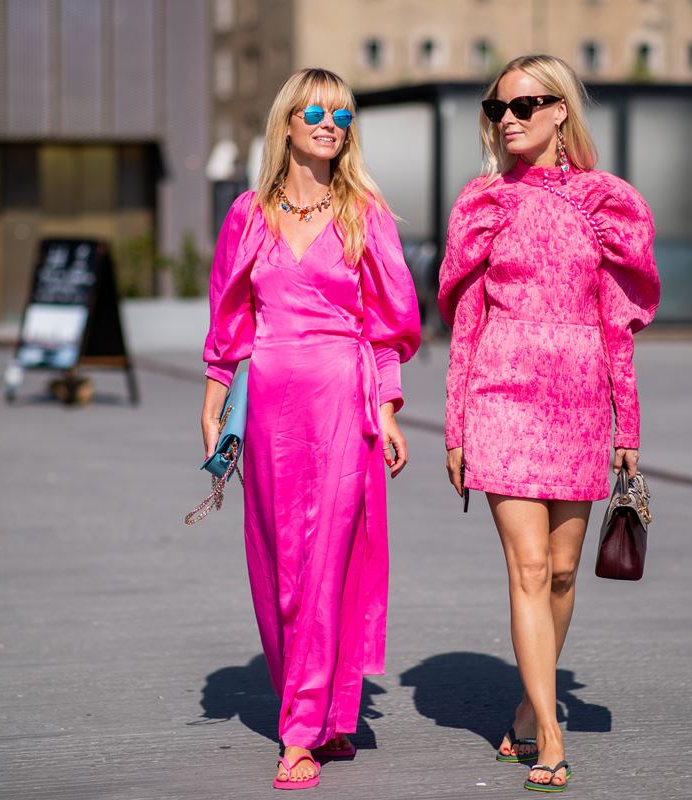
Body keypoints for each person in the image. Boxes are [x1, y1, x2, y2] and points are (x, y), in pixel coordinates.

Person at [438, 54, 660, 793]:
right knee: (528, 568)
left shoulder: (605, 203)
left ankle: (529, 709)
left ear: (560, 110)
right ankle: (551, 735)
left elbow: (616, 326)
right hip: (500, 394)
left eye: (526, 105)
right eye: (498, 107)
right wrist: (455, 425)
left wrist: (628, 426)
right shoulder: (483, 203)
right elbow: (466, 321)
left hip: (579, 398)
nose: (509, 119)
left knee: (563, 572)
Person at [201, 67, 421, 790]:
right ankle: (322, 714)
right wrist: (214, 399)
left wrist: (388, 408)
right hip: (267, 406)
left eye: (344, 115)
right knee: (277, 569)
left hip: (341, 402)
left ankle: (300, 731)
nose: (331, 123)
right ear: (288, 122)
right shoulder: (248, 214)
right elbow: (230, 323)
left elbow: (388, 328)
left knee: (328, 562)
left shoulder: (366, 212)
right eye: (317, 111)